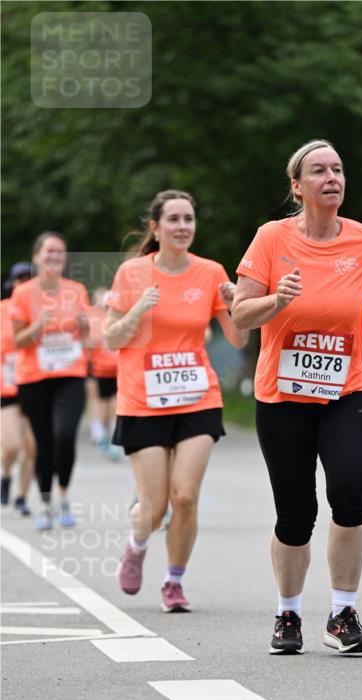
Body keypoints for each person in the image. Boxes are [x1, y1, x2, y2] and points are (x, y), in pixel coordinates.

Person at [232, 139, 362, 655]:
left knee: (351, 493)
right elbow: (240, 314)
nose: (332, 178)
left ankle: (343, 613)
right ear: (297, 186)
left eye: (339, 170)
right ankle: (288, 614)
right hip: (282, 395)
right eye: (319, 171)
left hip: (348, 388)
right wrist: (274, 301)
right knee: (295, 513)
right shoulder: (271, 238)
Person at [105, 189, 247, 612]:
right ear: (155, 227)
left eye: (189, 218)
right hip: (143, 400)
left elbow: (239, 339)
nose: (183, 226)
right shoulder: (132, 274)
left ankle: (173, 582)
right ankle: (137, 543)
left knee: (185, 496)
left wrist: (236, 304)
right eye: (174, 219)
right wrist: (137, 312)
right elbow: (111, 338)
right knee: (154, 506)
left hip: (196, 395)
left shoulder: (209, 272)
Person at [10, 233, 90, 530]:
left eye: (60, 252)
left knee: (65, 435)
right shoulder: (23, 294)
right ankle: (45, 504)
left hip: (70, 375)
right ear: (36, 257)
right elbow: (17, 341)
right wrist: (37, 328)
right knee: (43, 443)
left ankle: (64, 495)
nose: (55, 257)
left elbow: (89, 339)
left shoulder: (76, 290)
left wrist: (83, 327)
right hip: (35, 378)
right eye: (49, 252)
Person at [1, 262, 36, 514]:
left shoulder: (43, 311)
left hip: (35, 383)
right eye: (19, 280)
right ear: (11, 284)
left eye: (28, 279)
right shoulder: (2, 310)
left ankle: (22, 496)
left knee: (33, 446)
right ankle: (5, 474)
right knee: (12, 444)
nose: (23, 284)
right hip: (8, 387)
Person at [86, 287, 121, 458]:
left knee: (116, 406)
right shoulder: (93, 316)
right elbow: (89, 341)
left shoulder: (118, 314)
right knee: (102, 407)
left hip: (118, 369)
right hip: (99, 369)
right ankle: (101, 434)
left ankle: (114, 440)